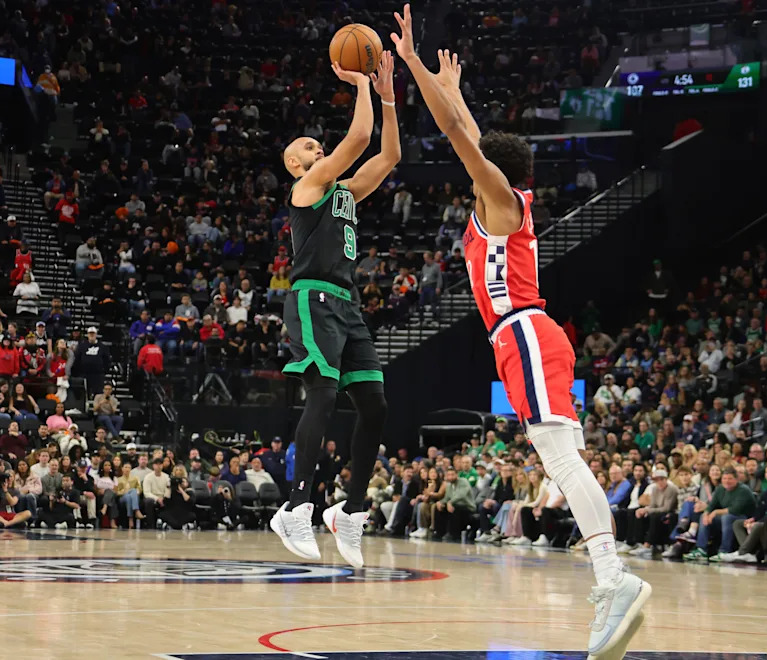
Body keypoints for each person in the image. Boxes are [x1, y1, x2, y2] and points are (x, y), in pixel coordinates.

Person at [393, 12, 648, 657]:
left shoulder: (503, 204)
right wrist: (452, 89)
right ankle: (610, 579)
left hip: (526, 333)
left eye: (478, 172)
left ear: (492, 178)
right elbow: (470, 135)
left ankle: (613, 579)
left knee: (561, 460)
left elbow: (460, 139)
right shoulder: (500, 207)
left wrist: (418, 69)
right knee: (560, 459)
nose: (468, 178)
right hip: (522, 339)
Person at [270, 51, 400, 570]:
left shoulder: (344, 193)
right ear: (297, 165)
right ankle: (297, 504)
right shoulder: (306, 188)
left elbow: (387, 154)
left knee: (375, 407)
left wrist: (387, 93)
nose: (316, 146)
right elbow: (359, 140)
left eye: (317, 144)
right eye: (308, 147)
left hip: (347, 305)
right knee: (322, 393)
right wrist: (360, 85)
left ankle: (351, 507)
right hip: (312, 296)